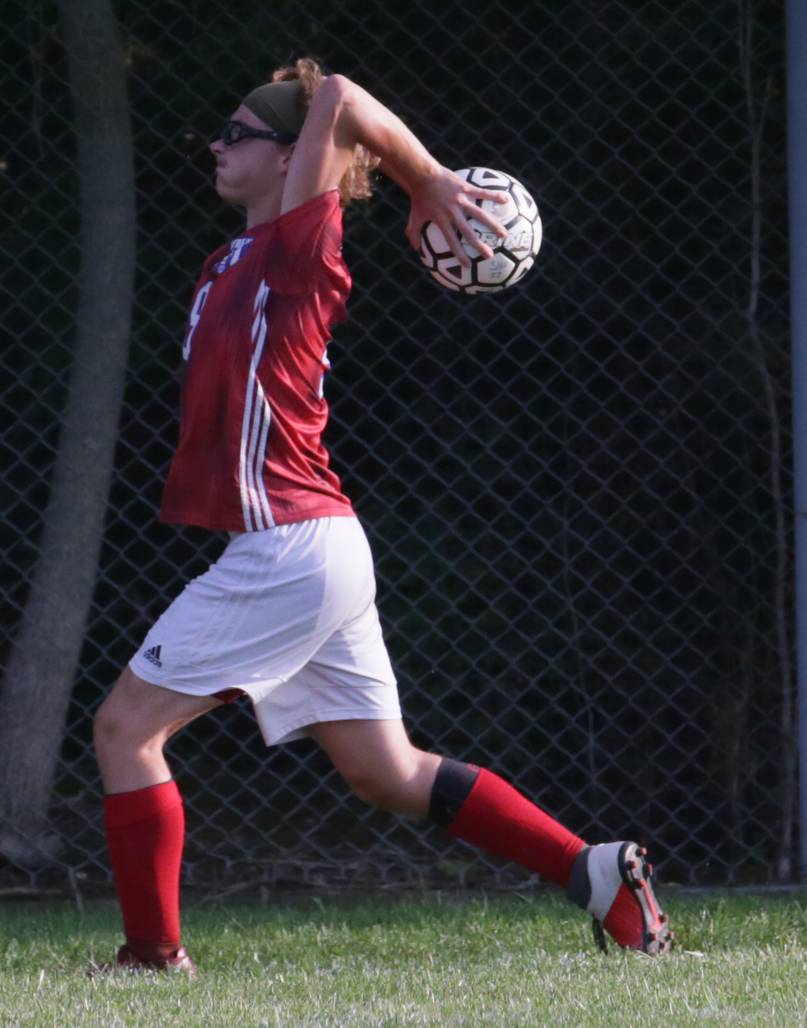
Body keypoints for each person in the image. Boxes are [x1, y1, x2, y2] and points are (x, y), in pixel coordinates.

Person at [92, 59, 673, 975]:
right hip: (313, 545)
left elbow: (343, 97)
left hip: (290, 547)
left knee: (127, 730)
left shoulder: (298, 245)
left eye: (238, 132)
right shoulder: (233, 257)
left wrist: (428, 180)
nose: (215, 143)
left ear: (295, 161)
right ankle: (598, 874)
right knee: (386, 773)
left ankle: (152, 957)